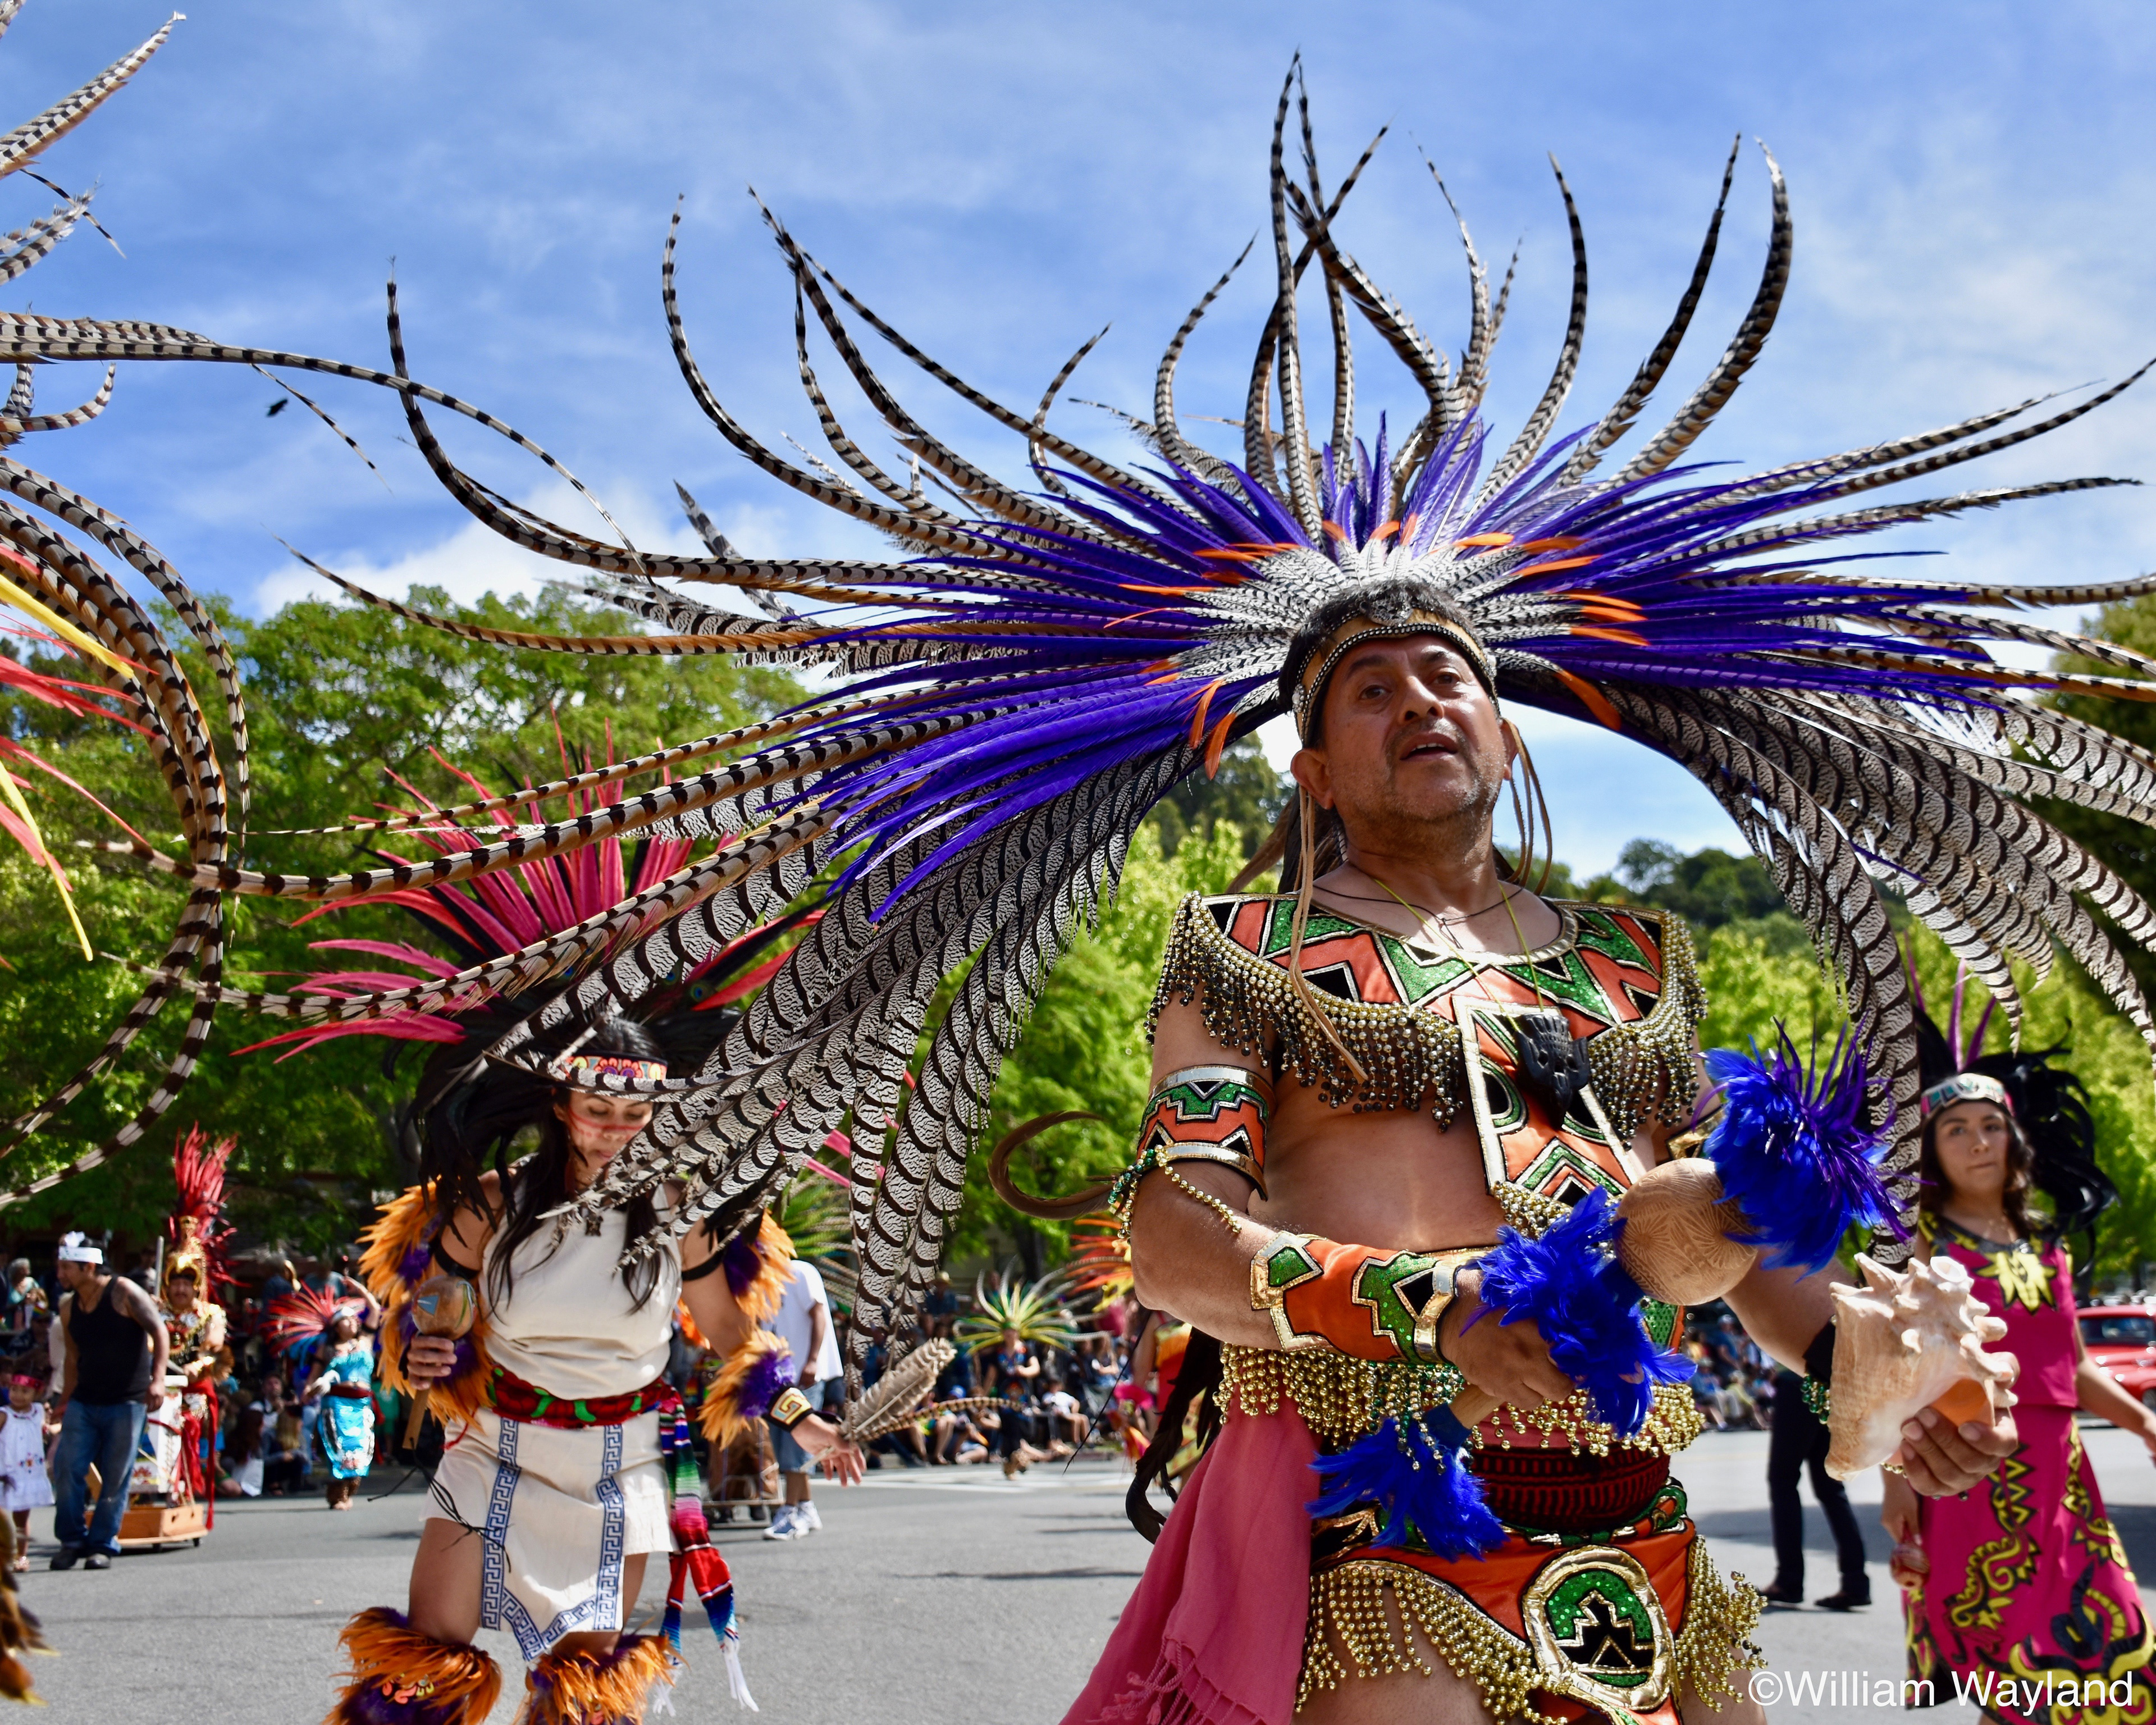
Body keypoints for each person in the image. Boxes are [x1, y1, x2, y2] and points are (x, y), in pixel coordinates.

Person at [1026, 597, 2022, 1725]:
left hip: (1641, 1521)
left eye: (1447, 677)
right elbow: (1171, 1246)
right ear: (1313, 775)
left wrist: (1880, 1381)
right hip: (1389, 1516)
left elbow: (1719, 1232)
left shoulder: (1631, 968)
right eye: (1372, 689)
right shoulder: (1244, 954)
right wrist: (1436, 1308)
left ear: (1507, 736)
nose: (1417, 701)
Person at [325, 1017, 864, 1724]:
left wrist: (808, 1423)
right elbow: (435, 1304)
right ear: (560, 1105)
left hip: (619, 1468)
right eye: (598, 1111)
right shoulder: (491, 1204)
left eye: (635, 1116)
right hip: (495, 1452)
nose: (615, 1131)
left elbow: (734, 1335)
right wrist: (426, 1344)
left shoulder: (681, 1213)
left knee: (581, 1700)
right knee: (422, 1671)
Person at [1884, 998, 2156, 1714]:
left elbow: (2079, 1370)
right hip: (1968, 1473)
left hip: (2065, 1481)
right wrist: (1897, 1480)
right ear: (1932, 1149)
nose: (1979, 1141)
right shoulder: (1925, 1246)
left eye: (1991, 1126)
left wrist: (2146, 1425)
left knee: (2116, 1660)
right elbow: (1895, 1375)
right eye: (1956, 1130)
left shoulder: (2048, 1246)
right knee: (2010, 1676)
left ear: (2015, 1137)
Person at [49, 1231, 167, 1571]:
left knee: (116, 1478)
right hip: (85, 1401)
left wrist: (157, 1380)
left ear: (88, 1267)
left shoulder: (124, 1292)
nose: (60, 1274)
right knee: (67, 1469)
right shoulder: (69, 1308)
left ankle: (101, 1543)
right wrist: (64, 1400)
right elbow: (73, 1359)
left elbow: (159, 1331)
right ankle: (71, 1541)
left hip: (126, 1402)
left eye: (66, 1268)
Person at [1759, 1364, 1870, 1610]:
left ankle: (1789, 1579)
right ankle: (1855, 1581)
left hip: (1798, 1381)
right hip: (1834, 1383)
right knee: (1831, 1489)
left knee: (1783, 1482)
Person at [760, 1253, 843, 1539]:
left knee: (794, 1448)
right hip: (776, 1380)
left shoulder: (800, 1271)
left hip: (804, 1375)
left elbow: (819, 1313)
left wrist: (812, 1360)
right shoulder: (760, 1282)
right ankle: (806, 1508)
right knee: (785, 1443)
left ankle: (790, 1512)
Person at [300, 1304, 378, 1509]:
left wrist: (358, 1288)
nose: (352, 1322)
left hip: (362, 1406)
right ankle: (338, 1496)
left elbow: (375, 1309)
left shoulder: (365, 1342)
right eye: (346, 1319)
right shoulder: (327, 1349)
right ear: (335, 1327)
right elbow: (313, 1376)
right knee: (340, 1449)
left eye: (354, 1318)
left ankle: (349, 1491)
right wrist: (308, 1391)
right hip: (336, 1405)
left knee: (361, 1450)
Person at [0, 1373, 53, 1568]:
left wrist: (56, 1427)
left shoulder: (38, 1411)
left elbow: (46, 1429)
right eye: (14, 1389)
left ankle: (21, 1556)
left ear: (36, 1393)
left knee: (21, 1518)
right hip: (6, 1474)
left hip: (27, 1475)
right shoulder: (4, 1414)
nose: (18, 1395)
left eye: (25, 1391)